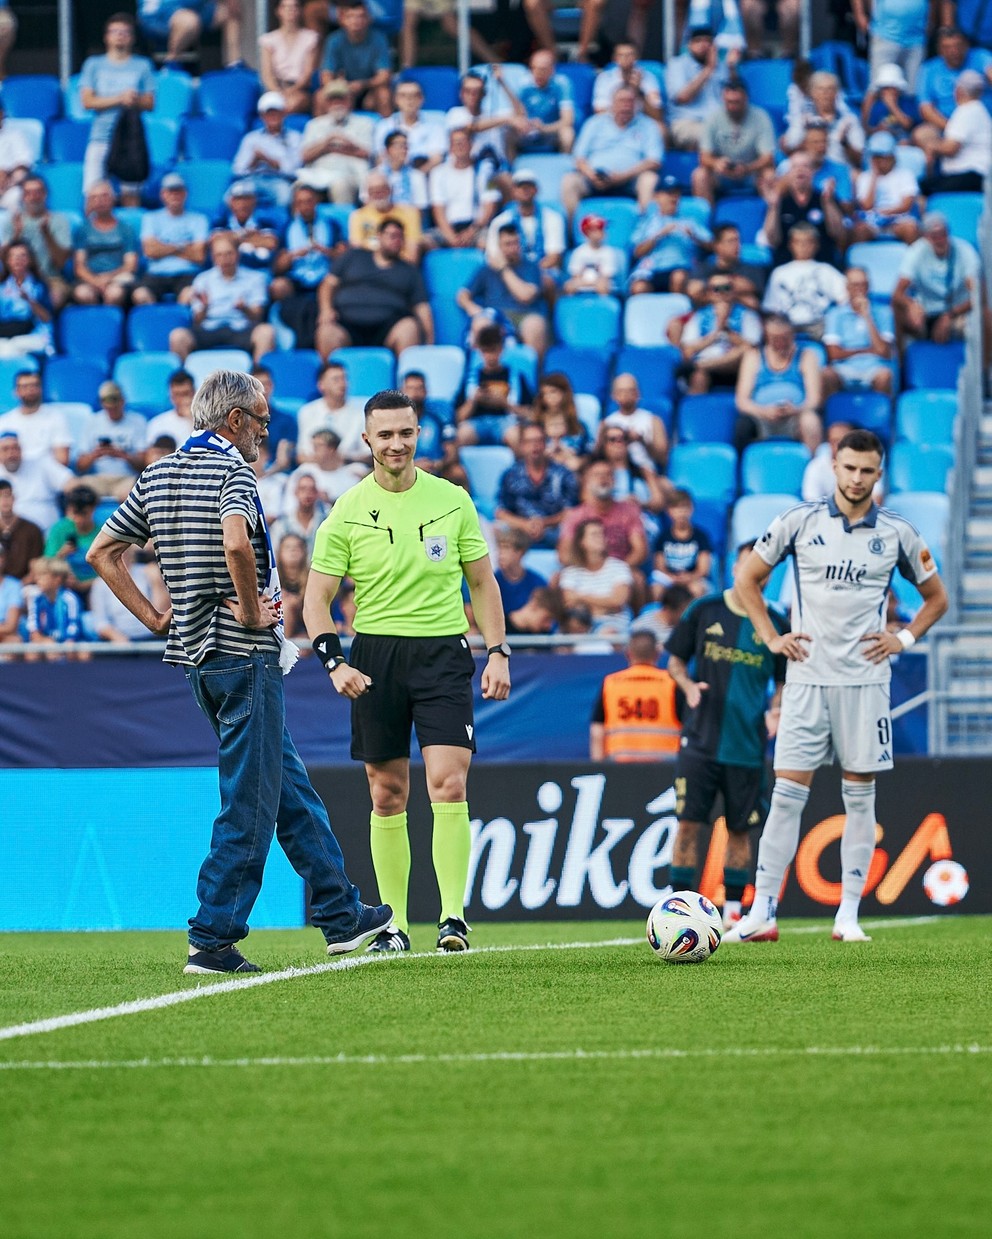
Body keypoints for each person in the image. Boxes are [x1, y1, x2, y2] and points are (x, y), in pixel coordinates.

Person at [87, 368, 391, 972]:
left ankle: (339, 913)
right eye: (259, 420)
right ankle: (213, 935)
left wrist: (154, 618)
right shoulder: (232, 472)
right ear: (233, 421)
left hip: (198, 659)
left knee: (288, 791)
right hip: (244, 655)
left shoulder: (159, 473)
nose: (265, 431)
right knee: (249, 801)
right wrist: (254, 612)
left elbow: (102, 553)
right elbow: (233, 544)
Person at [303, 388, 511, 954]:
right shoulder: (346, 510)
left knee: (449, 783)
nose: (397, 444)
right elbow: (315, 600)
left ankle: (452, 921)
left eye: (407, 433)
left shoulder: (453, 501)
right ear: (366, 440)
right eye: (386, 435)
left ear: (419, 435)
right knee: (386, 792)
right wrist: (334, 663)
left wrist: (497, 651)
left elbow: (483, 583)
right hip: (374, 658)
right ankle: (393, 925)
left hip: (443, 654)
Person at [724, 429, 949, 944]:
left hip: (865, 682)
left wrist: (905, 638)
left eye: (867, 470)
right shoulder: (800, 522)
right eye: (848, 468)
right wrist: (770, 637)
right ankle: (761, 912)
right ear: (834, 464)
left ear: (879, 473)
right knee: (784, 797)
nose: (856, 478)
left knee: (860, 799)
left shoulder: (897, 533)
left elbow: (937, 598)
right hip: (805, 680)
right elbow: (746, 580)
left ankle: (847, 915)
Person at [665, 538, 788, 927]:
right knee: (687, 824)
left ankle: (734, 913)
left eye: (762, 568)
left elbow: (786, 680)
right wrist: (687, 688)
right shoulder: (705, 610)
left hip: (747, 744)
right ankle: (675, 908)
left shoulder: (777, 623)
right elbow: (675, 663)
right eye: (747, 565)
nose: (755, 573)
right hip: (699, 740)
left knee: (740, 830)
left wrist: (776, 711)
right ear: (735, 569)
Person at [315, 218, 433, 358]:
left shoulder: (409, 271)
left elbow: (422, 307)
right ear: (379, 236)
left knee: (409, 327)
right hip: (347, 324)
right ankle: (331, 377)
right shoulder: (354, 256)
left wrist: (430, 344)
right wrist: (326, 309)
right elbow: (328, 284)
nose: (396, 241)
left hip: (388, 328)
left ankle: (405, 378)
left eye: (400, 237)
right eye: (392, 236)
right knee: (326, 332)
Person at [168, 232, 275, 365]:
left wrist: (244, 308)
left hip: (240, 328)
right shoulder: (202, 279)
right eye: (219, 255)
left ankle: (257, 380)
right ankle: (185, 383)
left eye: (229, 253)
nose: (225, 259)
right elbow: (197, 320)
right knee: (178, 336)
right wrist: (205, 308)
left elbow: (257, 316)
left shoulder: (255, 278)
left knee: (266, 332)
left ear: (238, 254)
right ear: (213, 258)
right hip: (209, 328)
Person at [78, 12, 155, 194]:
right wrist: (120, 98)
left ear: (132, 38)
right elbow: (87, 101)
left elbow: (150, 103)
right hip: (100, 137)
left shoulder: (143, 65)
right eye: (115, 31)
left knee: (131, 193)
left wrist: (134, 99)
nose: (120, 35)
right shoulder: (93, 64)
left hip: (131, 138)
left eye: (125, 32)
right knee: (94, 194)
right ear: (106, 37)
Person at [561, 85, 662, 219]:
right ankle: (571, 234)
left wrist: (623, 176)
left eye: (630, 101)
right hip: (594, 180)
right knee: (569, 181)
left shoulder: (649, 125)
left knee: (649, 179)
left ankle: (645, 231)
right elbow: (578, 158)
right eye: (621, 101)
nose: (626, 105)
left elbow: (654, 161)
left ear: (637, 104)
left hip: (630, 180)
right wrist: (591, 175)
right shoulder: (594, 123)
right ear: (612, 103)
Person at [456, 223, 551, 358]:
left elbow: (525, 296)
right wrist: (472, 308)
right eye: (508, 244)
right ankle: (481, 374)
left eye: (516, 243)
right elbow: (462, 295)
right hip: (496, 316)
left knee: (536, 325)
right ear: (499, 246)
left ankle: (532, 376)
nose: (513, 248)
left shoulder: (531, 267)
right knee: (481, 323)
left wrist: (503, 269)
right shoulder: (486, 269)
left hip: (525, 316)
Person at [735, 313, 822, 453]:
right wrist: (763, 411)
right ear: (767, 336)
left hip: (795, 416)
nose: (780, 343)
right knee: (743, 425)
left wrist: (796, 409)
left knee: (811, 421)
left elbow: (814, 400)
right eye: (775, 339)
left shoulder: (806, 355)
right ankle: (741, 469)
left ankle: (812, 467)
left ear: (792, 334)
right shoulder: (754, 356)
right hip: (762, 416)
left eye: (784, 338)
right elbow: (742, 401)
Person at [589, 630, 680, 761]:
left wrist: (597, 768)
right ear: (657, 654)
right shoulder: (672, 682)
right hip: (664, 768)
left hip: (620, 767)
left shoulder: (611, 683)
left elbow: (597, 731)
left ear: (628, 654)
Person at [892, 210, 980, 345]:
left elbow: (977, 295)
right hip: (926, 312)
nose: (940, 240)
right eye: (934, 236)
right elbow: (897, 293)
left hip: (959, 311)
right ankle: (901, 361)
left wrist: (950, 315)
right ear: (926, 237)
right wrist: (911, 305)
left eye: (943, 234)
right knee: (897, 309)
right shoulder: (916, 252)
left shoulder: (965, 251)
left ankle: (982, 361)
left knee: (979, 319)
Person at [269, 181, 338, 349]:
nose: (305, 206)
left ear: (316, 202)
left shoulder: (331, 225)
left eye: (308, 201)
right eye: (300, 202)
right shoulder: (287, 227)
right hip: (297, 279)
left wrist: (326, 251)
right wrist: (294, 255)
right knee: (278, 286)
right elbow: (277, 266)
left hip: (324, 277)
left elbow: (343, 257)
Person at [494, 420, 579, 547]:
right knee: (497, 528)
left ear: (545, 444)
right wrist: (525, 525)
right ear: (522, 445)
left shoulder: (563, 474)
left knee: (573, 529)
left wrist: (544, 523)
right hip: (521, 530)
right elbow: (501, 512)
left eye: (539, 440)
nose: (535, 446)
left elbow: (571, 512)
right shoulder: (511, 474)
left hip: (553, 529)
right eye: (529, 441)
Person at [692, 78, 776, 205]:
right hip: (722, 174)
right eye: (729, 102)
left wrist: (747, 168)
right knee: (699, 176)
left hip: (751, 173)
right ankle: (706, 220)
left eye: (737, 102)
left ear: (746, 98)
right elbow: (704, 157)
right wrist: (716, 163)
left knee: (770, 175)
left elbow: (768, 158)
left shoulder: (761, 117)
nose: (732, 106)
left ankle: (771, 220)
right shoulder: (712, 118)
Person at [761, 222, 848, 341]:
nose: (803, 246)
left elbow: (845, 298)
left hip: (820, 326)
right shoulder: (779, 273)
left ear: (816, 244)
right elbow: (771, 308)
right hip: (789, 326)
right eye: (798, 242)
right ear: (791, 244)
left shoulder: (826, 270)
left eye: (808, 242)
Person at [628, 174, 713, 296]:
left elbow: (712, 246)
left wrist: (694, 237)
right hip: (651, 270)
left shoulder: (690, 221)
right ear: (657, 196)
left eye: (676, 193)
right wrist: (659, 235)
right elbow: (637, 252)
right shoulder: (647, 222)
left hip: (680, 268)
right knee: (638, 288)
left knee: (678, 277)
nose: (673, 197)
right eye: (668, 193)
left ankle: (678, 313)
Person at [680, 270, 764, 393]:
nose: (722, 293)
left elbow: (752, 347)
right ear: (709, 293)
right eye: (717, 289)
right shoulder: (699, 317)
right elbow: (688, 350)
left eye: (726, 288)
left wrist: (727, 330)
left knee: (747, 352)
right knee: (698, 377)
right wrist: (716, 332)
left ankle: (701, 366)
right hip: (706, 363)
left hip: (735, 367)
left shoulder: (747, 315)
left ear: (733, 291)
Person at [132, 173, 209, 306]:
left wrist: (162, 247)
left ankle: (181, 325)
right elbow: (150, 251)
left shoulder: (199, 219)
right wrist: (182, 247)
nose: (175, 195)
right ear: (163, 194)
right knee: (140, 295)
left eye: (178, 191)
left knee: (190, 295)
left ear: (185, 193)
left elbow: (198, 255)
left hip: (187, 273)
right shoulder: (151, 218)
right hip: (156, 273)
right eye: (170, 191)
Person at [761, 151, 845, 267]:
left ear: (813, 172)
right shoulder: (780, 201)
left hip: (822, 265)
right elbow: (772, 240)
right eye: (795, 167)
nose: (800, 170)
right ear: (788, 173)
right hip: (786, 265)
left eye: (805, 166)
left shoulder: (826, 197)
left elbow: (838, 234)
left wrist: (828, 203)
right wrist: (773, 207)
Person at [298, 79, 374, 203]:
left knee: (340, 185)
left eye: (341, 99)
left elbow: (366, 153)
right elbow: (305, 156)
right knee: (300, 188)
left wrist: (345, 143)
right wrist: (327, 143)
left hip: (349, 174)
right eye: (332, 100)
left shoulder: (364, 123)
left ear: (350, 101)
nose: (337, 103)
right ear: (326, 103)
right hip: (318, 174)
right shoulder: (314, 124)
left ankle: (343, 221)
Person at [822, 268, 895, 398]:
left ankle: (882, 416)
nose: (860, 289)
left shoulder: (884, 312)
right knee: (826, 375)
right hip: (844, 368)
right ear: (847, 287)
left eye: (864, 284)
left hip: (874, 367)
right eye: (855, 285)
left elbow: (884, 352)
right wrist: (866, 351)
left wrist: (867, 316)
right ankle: (832, 416)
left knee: (885, 376)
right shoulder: (834, 314)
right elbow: (833, 354)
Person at [665, 24, 739, 151]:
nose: (703, 45)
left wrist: (731, 68)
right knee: (713, 138)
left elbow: (736, 96)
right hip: (687, 122)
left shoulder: (722, 66)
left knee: (745, 136)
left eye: (708, 41)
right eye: (698, 41)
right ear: (689, 45)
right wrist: (708, 70)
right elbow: (683, 97)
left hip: (719, 122)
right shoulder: (677, 64)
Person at [918, 68, 992, 194]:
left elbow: (951, 148)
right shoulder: (981, 111)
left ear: (958, 91)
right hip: (979, 175)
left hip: (969, 174)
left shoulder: (966, 111)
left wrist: (931, 146)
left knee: (923, 186)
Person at [559, 516, 634, 638]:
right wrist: (605, 606)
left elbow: (618, 601)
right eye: (594, 535)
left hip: (614, 624)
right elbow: (569, 603)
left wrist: (581, 597)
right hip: (580, 624)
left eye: (602, 534)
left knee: (608, 634)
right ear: (582, 542)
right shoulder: (570, 572)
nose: (600, 538)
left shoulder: (619, 567)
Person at [428, 127, 501, 250]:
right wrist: (451, 237)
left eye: (463, 142)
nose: (459, 146)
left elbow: (490, 206)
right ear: (450, 147)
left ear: (471, 145)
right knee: (424, 242)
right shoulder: (437, 173)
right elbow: (438, 210)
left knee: (489, 243)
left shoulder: (487, 170)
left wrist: (471, 232)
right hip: (448, 228)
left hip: (476, 228)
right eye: (455, 143)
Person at [74, 379, 147, 498]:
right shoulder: (92, 422)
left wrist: (122, 455)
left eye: (115, 406)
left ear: (122, 401)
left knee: (132, 496)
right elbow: (80, 466)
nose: (111, 410)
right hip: (99, 478)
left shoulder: (137, 421)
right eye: (108, 407)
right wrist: (96, 454)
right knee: (78, 492)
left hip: (126, 478)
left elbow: (143, 463)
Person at [8, 177, 73, 312]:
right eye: (28, 193)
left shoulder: (59, 220)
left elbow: (61, 262)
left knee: (53, 298)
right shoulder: (13, 222)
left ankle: (46, 332)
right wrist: (16, 234)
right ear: (22, 197)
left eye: (38, 192)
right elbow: (3, 260)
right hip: (16, 280)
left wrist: (47, 234)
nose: (33, 197)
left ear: (45, 194)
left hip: (51, 278)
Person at [71, 180, 140, 307]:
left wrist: (107, 278)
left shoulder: (126, 229)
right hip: (90, 278)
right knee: (82, 293)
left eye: (104, 196)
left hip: (118, 278)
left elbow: (131, 265)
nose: (100, 201)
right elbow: (79, 266)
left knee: (114, 294)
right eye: (94, 197)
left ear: (113, 198)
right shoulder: (83, 229)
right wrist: (96, 281)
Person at [485, 169, 566, 276]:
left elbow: (554, 256)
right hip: (510, 272)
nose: (525, 190)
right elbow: (493, 255)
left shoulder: (553, 218)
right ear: (513, 191)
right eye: (520, 186)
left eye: (529, 186)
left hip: (542, 272)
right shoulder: (500, 221)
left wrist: (530, 274)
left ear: (536, 190)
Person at [320, 0, 392, 117]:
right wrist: (340, 87)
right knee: (320, 96)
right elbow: (325, 76)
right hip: (342, 89)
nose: (356, 21)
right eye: (350, 17)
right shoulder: (334, 40)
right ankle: (321, 131)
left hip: (369, 89)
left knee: (384, 94)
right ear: (342, 19)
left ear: (368, 19)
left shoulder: (379, 39)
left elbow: (384, 75)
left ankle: (388, 132)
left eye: (361, 17)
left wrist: (363, 84)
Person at [232, 93, 303, 208]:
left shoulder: (294, 137)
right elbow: (237, 170)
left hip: (279, 180)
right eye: (268, 113)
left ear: (284, 113)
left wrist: (270, 160)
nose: (272, 116)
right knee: (230, 196)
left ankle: (279, 224)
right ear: (262, 116)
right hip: (252, 179)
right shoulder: (251, 138)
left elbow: (294, 170)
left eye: (276, 112)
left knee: (285, 197)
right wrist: (253, 162)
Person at [851, 131, 920, 245]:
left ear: (892, 157)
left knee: (910, 229)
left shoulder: (905, 175)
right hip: (872, 221)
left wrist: (884, 213)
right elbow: (866, 205)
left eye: (883, 157)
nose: (879, 161)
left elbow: (906, 205)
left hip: (898, 219)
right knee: (859, 231)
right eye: (876, 157)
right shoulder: (865, 177)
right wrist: (874, 177)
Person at [851, 0, 933, 92]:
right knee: (879, 88)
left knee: (913, 91)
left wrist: (931, 22)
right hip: (885, 35)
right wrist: (859, 15)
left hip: (916, 39)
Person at [136, 0, 243, 69]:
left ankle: (234, 64)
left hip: (187, 10)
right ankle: (172, 61)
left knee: (229, 13)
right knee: (189, 21)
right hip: (157, 18)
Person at [0, 432, 73, 532]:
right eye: (5, 449)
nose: (11, 453)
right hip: (7, 538)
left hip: (46, 535)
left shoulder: (41, 464)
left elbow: (71, 483)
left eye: (15, 448)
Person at [296, 360, 366, 463]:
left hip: (348, 467)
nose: (343, 384)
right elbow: (301, 455)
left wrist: (341, 459)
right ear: (321, 385)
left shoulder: (361, 413)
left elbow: (367, 454)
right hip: (313, 467)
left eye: (344, 378)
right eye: (336, 380)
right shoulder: (307, 411)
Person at [258, 0, 320, 115]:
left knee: (294, 103)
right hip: (275, 88)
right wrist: (278, 91)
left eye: (294, 7)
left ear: (300, 10)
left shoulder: (310, 38)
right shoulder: (268, 40)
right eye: (285, 7)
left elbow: (308, 73)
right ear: (278, 11)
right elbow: (267, 74)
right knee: (270, 103)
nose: (290, 10)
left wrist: (291, 90)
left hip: (299, 90)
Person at [373, 80, 447, 174]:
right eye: (403, 95)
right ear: (396, 99)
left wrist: (415, 178)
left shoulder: (435, 126)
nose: (409, 100)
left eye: (414, 95)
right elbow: (381, 159)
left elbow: (437, 159)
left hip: (426, 177)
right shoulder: (384, 126)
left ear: (422, 99)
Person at [349, 171, 423, 262]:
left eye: (382, 189)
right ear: (368, 193)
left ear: (390, 190)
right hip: (368, 269)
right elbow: (358, 252)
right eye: (373, 191)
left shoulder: (410, 213)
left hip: (400, 266)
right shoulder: (358, 216)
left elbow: (412, 254)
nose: (378, 194)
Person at [653, 488, 714, 598]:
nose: (681, 512)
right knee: (656, 589)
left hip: (694, 579)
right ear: (668, 511)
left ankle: (693, 615)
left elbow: (704, 569)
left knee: (697, 589)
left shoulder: (701, 536)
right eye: (676, 507)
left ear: (692, 509)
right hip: (669, 580)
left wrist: (689, 577)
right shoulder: (662, 537)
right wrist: (673, 578)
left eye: (685, 507)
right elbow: (659, 567)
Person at [24, 556, 86, 661]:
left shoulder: (70, 599)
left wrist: (65, 645)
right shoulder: (36, 599)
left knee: (83, 653)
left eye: (42, 575)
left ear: (57, 579)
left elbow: (74, 628)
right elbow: (34, 632)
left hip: (67, 641)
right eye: (36, 575)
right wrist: (46, 642)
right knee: (31, 651)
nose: (36, 579)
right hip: (46, 641)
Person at [0, 369, 69, 463]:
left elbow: (62, 460)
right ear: (16, 392)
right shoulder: (4, 422)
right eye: (25, 386)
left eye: (35, 385)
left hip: (47, 474)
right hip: (13, 473)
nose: (30, 390)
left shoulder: (55, 417)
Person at [0, 241, 55, 358]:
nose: (18, 260)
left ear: (30, 260)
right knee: (6, 347)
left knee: (10, 349)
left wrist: (29, 300)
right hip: (6, 335)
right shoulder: (2, 287)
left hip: (35, 335)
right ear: (7, 261)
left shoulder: (39, 286)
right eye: (13, 256)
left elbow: (47, 317)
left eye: (22, 256)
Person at [515, 48, 576, 154]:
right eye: (533, 68)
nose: (537, 73)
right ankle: (508, 168)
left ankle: (565, 168)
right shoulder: (522, 84)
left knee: (568, 134)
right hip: (527, 131)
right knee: (506, 134)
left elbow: (568, 120)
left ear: (552, 70)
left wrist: (544, 128)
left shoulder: (562, 84)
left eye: (542, 69)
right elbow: (515, 115)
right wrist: (525, 124)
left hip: (551, 131)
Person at [603, 373, 668, 470]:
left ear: (638, 394)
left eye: (630, 391)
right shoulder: (606, 423)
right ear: (613, 395)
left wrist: (642, 441)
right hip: (614, 473)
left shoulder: (653, 420)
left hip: (647, 473)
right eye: (621, 391)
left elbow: (663, 458)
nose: (625, 395)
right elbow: (598, 455)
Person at [591, 43, 664, 121]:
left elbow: (657, 115)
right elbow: (599, 112)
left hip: (640, 121)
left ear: (637, 57)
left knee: (661, 128)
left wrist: (639, 91)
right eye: (621, 55)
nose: (625, 58)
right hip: (612, 122)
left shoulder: (648, 77)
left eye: (630, 55)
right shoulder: (604, 78)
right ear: (614, 58)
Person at [493, 524, 547, 618]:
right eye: (499, 548)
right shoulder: (493, 581)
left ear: (520, 552)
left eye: (506, 548)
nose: (500, 554)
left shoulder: (537, 583)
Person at [564, 214, 624, 296]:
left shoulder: (608, 252)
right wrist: (584, 283)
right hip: (582, 283)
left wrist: (593, 283)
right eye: (598, 229)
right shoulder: (579, 252)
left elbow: (606, 277)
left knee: (602, 287)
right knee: (569, 286)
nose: (602, 232)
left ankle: (605, 306)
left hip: (602, 284)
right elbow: (575, 276)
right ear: (588, 232)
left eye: (602, 229)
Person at [0, 475, 44, 579]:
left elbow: (35, 567)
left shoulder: (32, 530)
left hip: (25, 587)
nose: (4, 501)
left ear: (14, 498)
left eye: (7, 495)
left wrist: (19, 586)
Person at [145, 368, 196, 448]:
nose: (182, 399)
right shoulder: (157, 423)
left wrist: (191, 419)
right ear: (171, 396)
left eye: (186, 394)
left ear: (194, 393)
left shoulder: (207, 423)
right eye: (177, 395)